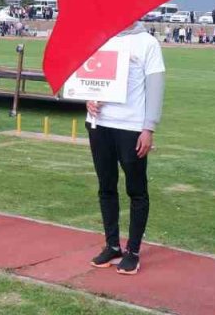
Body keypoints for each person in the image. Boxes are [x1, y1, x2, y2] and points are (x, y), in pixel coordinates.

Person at [85, 20, 165, 276]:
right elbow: (90, 77)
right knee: (106, 186)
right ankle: (112, 245)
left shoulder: (147, 43)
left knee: (136, 189)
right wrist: (88, 99)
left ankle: (133, 251)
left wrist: (148, 128)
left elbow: (155, 87)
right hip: (99, 124)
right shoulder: (101, 37)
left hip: (131, 127)